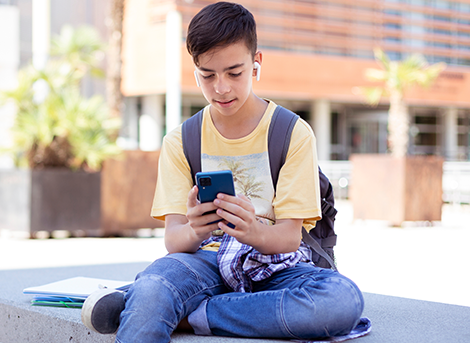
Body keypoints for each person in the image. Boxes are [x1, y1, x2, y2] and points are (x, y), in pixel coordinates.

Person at [82, 2, 369, 342]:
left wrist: (252, 231)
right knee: (157, 284)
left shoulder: (292, 132)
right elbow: (174, 240)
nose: (221, 88)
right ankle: (158, 300)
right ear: (196, 72)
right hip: (204, 261)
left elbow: (289, 237)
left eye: (234, 73)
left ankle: (191, 313)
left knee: (342, 301)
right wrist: (194, 228)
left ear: (256, 64)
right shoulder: (181, 140)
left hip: (275, 266)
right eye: (208, 75)